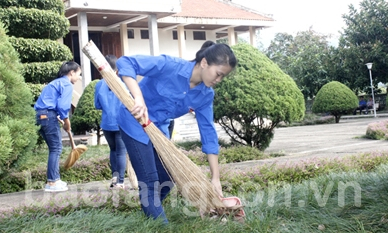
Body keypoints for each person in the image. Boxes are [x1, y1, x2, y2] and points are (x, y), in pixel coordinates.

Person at [115, 40, 237, 223]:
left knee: (168, 175)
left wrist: (215, 178)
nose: (218, 80)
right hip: (134, 122)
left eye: (223, 77)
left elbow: (208, 133)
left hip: (159, 131)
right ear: (204, 63)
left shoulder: (205, 94)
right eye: (218, 74)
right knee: (150, 179)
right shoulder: (169, 65)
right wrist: (138, 97)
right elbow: (125, 62)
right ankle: (160, 224)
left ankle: (150, 213)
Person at [34, 61, 82, 192]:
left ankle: (54, 179)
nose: (79, 78)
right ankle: (52, 182)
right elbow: (62, 106)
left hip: (40, 115)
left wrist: (57, 116)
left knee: (53, 148)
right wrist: (67, 121)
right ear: (71, 73)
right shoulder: (66, 84)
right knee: (56, 148)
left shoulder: (54, 83)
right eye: (78, 74)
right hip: (49, 115)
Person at [94, 55, 127, 189]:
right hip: (121, 123)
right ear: (116, 70)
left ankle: (114, 177)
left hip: (107, 123)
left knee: (113, 150)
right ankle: (120, 181)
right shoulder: (123, 83)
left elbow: (97, 105)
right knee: (121, 152)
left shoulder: (99, 84)